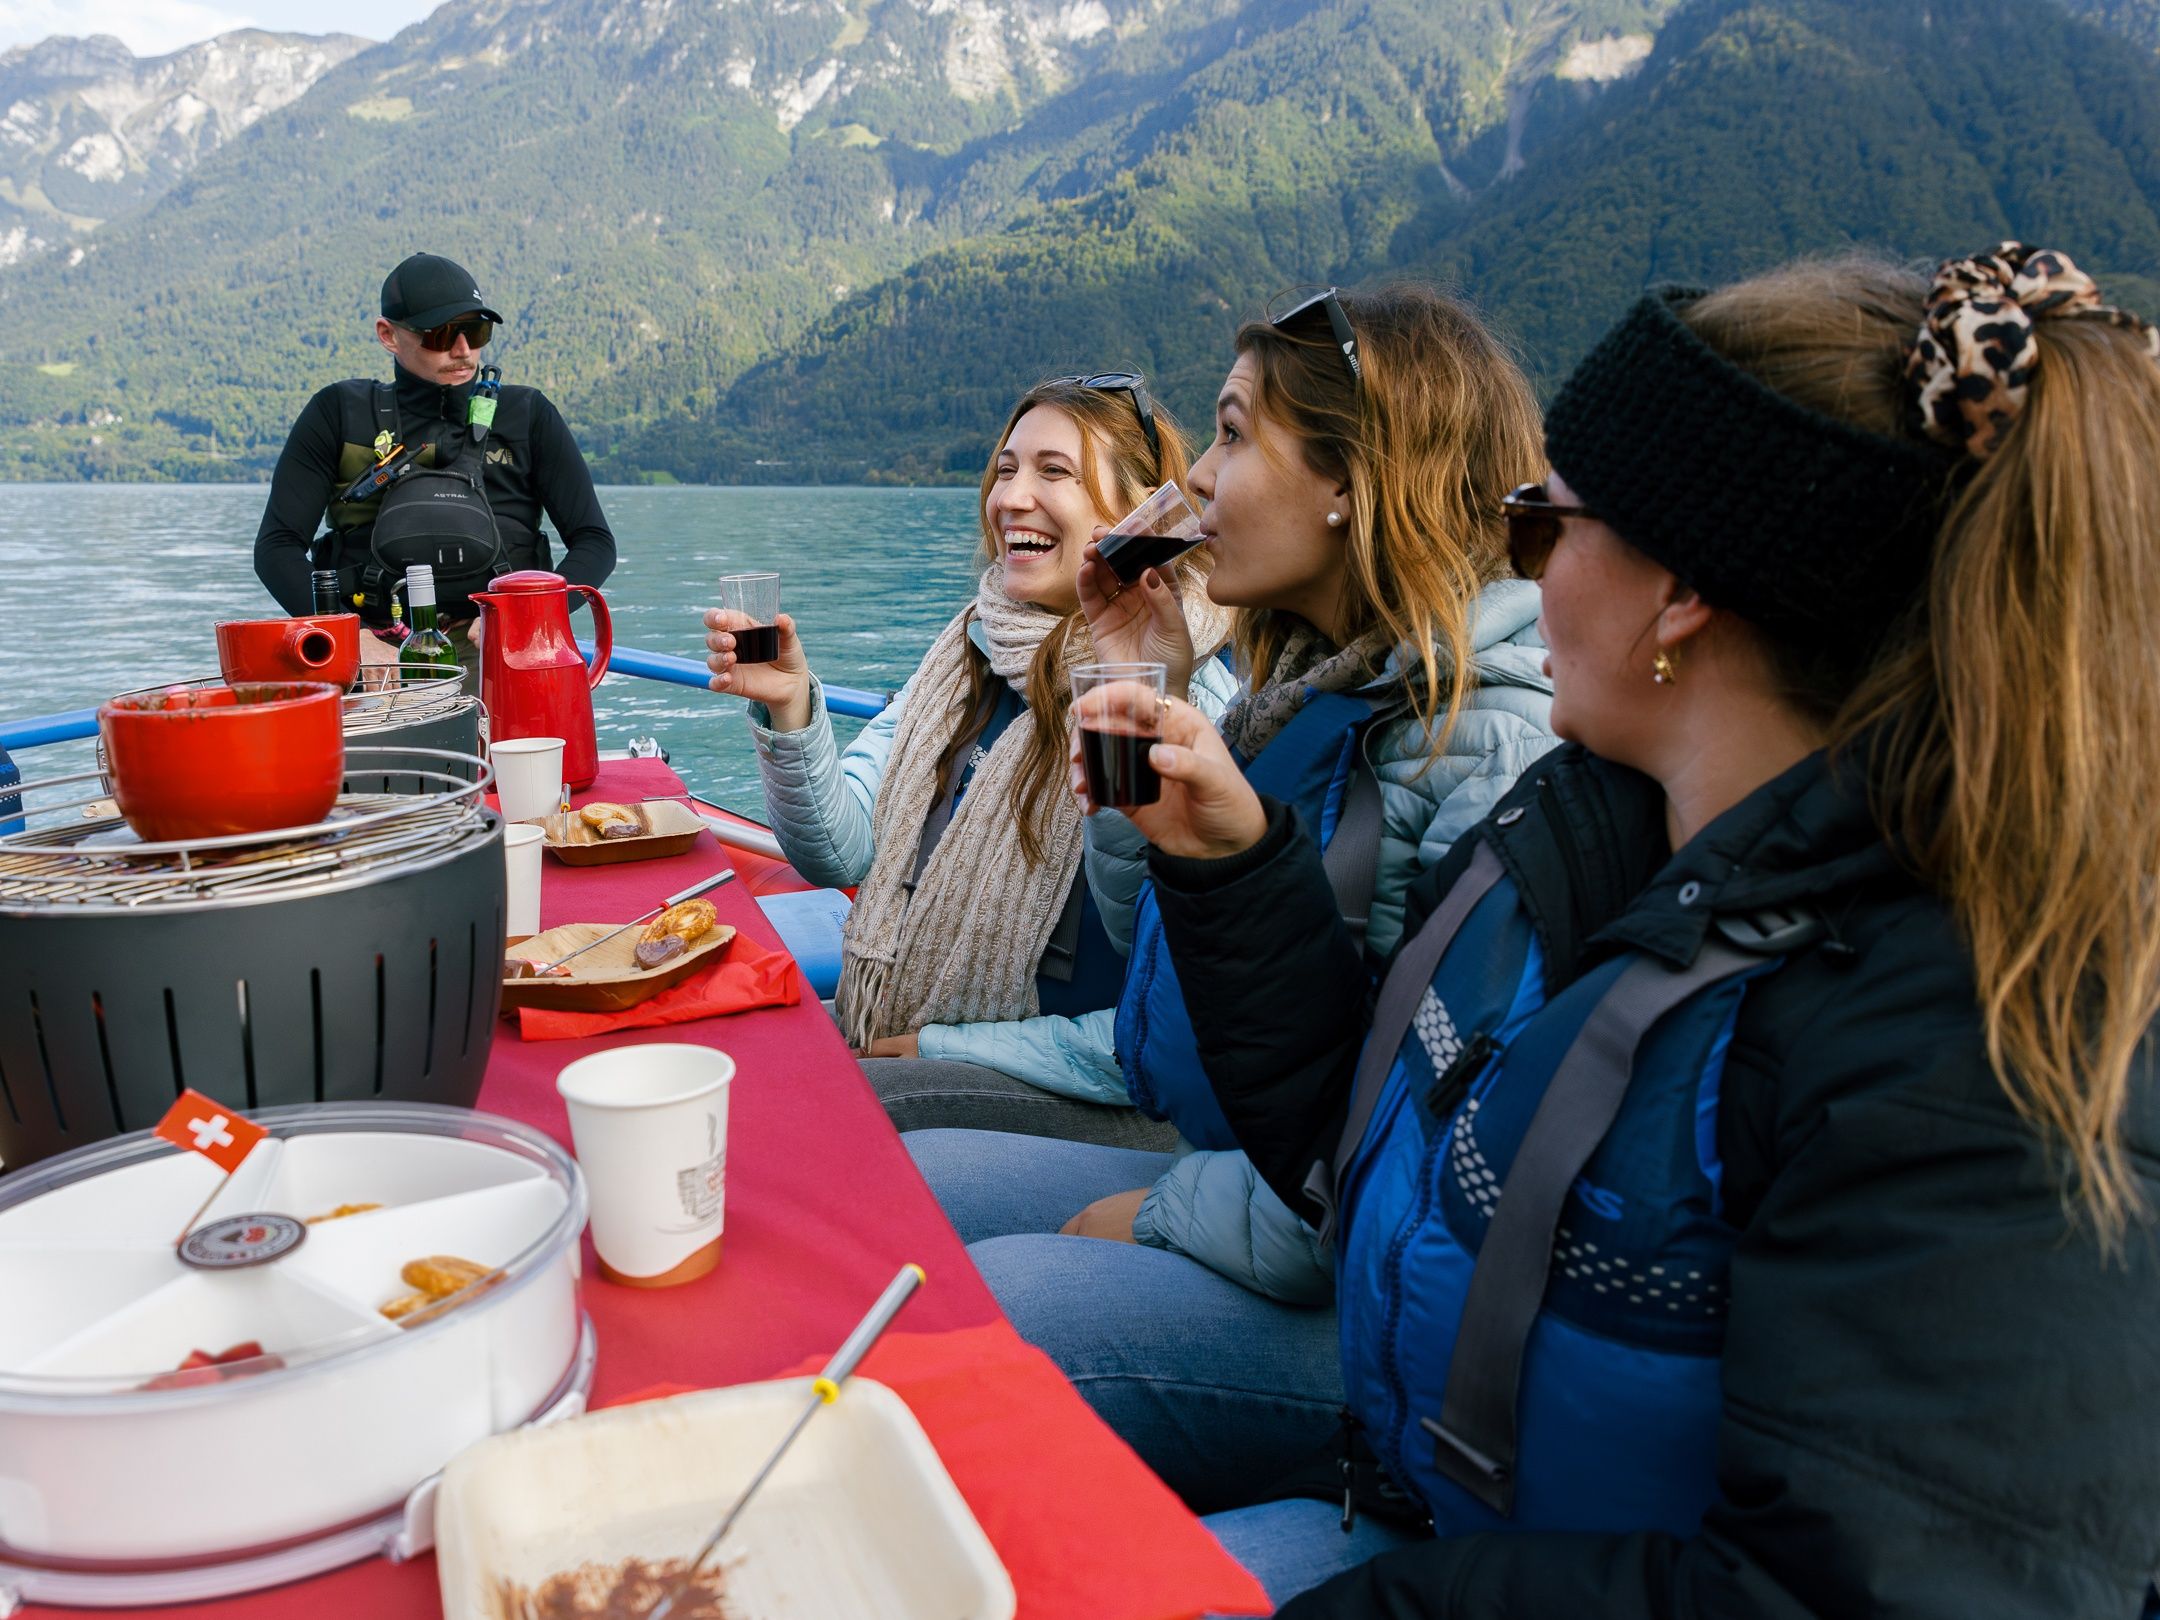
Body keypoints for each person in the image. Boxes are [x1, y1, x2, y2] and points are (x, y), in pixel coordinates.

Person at [1032, 245, 2160, 1615]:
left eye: (1538, 527)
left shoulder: (1973, 1050)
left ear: (1679, 597)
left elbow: (1867, 1591)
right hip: (1423, 1509)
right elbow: (1364, 1143)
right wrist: (1234, 869)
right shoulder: (1589, 831)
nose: (1516, 572)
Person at [906, 284, 1557, 1316]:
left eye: (1233, 436)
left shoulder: (1491, 742)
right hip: (1233, 1156)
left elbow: (1407, 1157)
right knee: (905, 1196)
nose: (1199, 477)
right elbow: (1151, 940)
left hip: (1347, 1281)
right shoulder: (1297, 687)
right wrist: (1134, 677)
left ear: (1352, 479)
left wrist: (1160, 1210)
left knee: (993, 1304)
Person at [702, 375, 1236, 1147]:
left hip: (1092, 1088)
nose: (1011, 496)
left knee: (787, 1114)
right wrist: (792, 711)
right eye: (1007, 468)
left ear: (1137, 518)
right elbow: (842, 852)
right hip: (914, 1031)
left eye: (1054, 472)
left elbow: (1169, 1018)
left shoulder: (1179, 695)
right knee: (721, 1057)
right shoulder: (967, 650)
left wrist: (946, 1048)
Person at [253, 252, 616, 670]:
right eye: (441, 335)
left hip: (503, 646)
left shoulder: (528, 414)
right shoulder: (337, 413)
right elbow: (276, 548)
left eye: (476, 331)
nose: (463, 351)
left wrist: (534, 613)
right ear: (388, 335)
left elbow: (594, 541)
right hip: (374, 652)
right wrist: (349, 640)